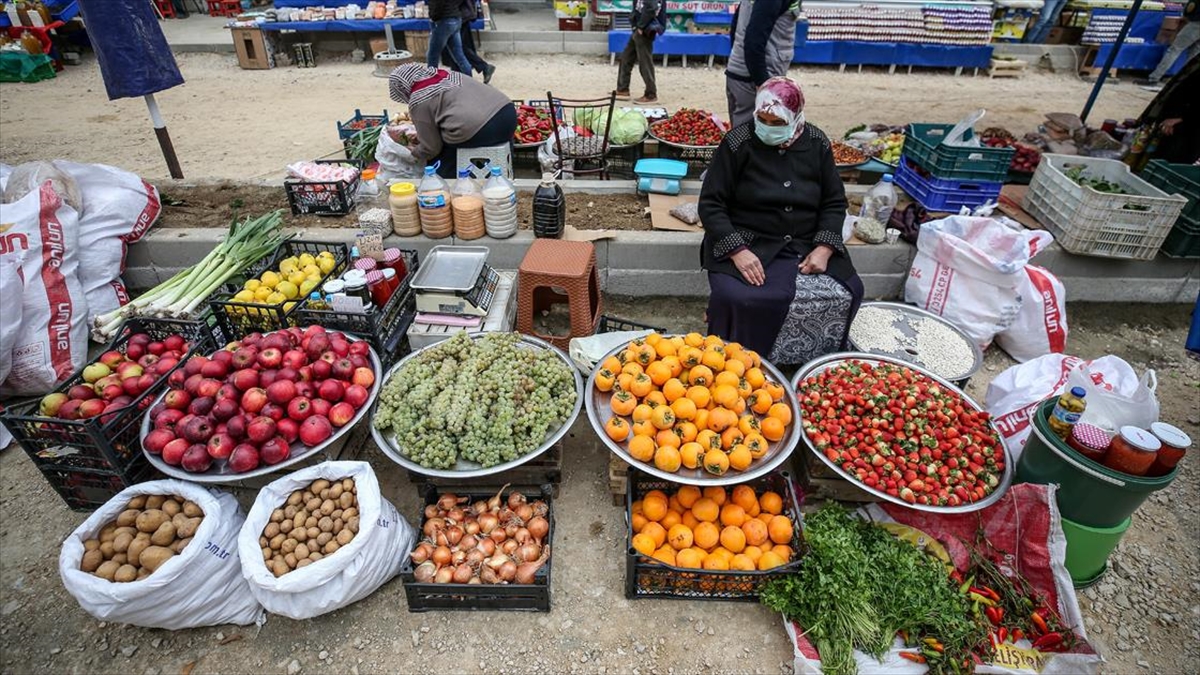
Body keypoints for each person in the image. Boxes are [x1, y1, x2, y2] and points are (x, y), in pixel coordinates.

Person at [698, 77, 864, 367]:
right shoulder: (737, 142)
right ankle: (736, 364)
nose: (766, 127)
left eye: (776, 122)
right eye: (761, 119)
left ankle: (811, 362)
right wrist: (737, 251)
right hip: (748, 240)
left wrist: (825, 247)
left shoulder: (816, 142)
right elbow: (711, 204)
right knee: (737, 296)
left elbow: (834, 202)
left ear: (795, 116)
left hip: (806, 241)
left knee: (851, 289)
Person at [388, 63, 516, 178]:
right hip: (508, 115)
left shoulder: (418, 100)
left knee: (440, 152)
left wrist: (413, 151)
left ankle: (446, 183)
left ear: (401, 88)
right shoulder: (448, 74)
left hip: (483, 130)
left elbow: (431, 149)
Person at [725, 0, 800, 128]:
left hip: (744, 74)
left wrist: (738, 59)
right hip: (751, 80)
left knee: (743, 136)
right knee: (747, 139)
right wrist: (762, 82)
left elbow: (736, 25)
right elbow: (754, 40)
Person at [1138, 53, 1199, 164]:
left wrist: (1181, 118)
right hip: (1173, 117)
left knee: (1170, 160)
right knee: (1154, 155)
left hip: (1186, 127)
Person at [1138, 0, 1200, 91]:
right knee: (1193, 56)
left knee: (1174, 50)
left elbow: (1191, 6)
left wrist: (1186, 16)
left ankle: (1154, 78)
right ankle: (1182, 82)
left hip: (1196, 24)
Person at [615, 0, 663, 104]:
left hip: (645, 29)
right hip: (639, 28)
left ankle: (651, 94)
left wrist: (641, 26)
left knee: (645, 62)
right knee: (626, 57)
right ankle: (623, 89)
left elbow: (651, 7)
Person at [440, 0, 495, 83]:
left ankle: (483, 67)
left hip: (458, 15)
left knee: (457, 46)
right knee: (458, 45)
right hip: (459, 14)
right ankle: (458, 75)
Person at [428, 0, 470, 74]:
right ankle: (470, 81)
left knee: (433, 55)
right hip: (455, 17)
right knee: (459, 55)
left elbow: (438, 4)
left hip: (444, 20)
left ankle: (431, 80)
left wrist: (433, 16)